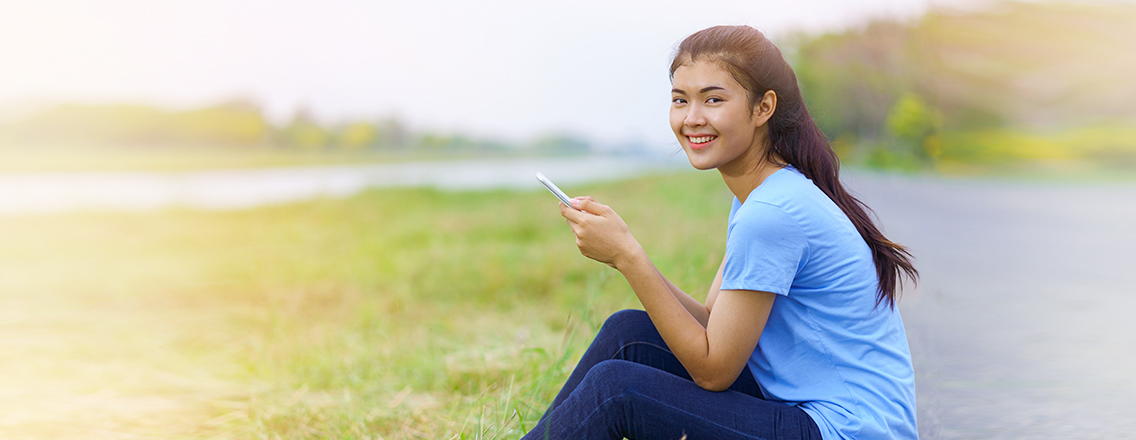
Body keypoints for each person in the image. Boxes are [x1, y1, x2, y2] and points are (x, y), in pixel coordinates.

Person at [520, 25, 920, 440]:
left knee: (616, 391)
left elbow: (714, 371)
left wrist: (628, 257)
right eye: (680, 100)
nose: (693, 118)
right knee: (629, 332)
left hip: (844, 430)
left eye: (713, 99)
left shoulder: (771, 213)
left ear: (763, 108)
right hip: (806, 409)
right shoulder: (762, 195)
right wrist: (628, 250)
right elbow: (714, 325)